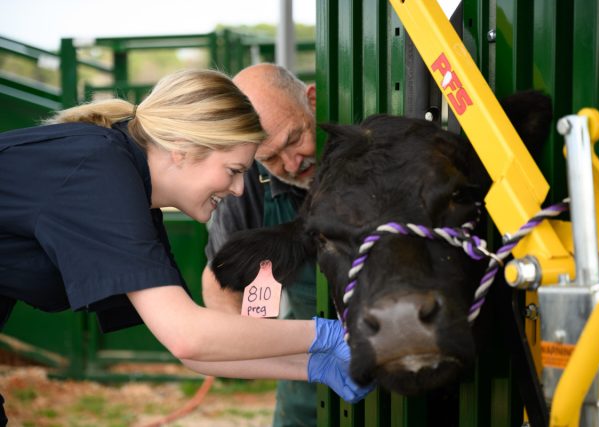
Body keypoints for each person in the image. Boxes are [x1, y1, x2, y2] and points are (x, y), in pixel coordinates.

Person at [0, 68, 372, 425]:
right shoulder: (100, 173)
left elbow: (195, 350)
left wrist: (313, 366)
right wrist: (328, 335)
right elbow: (189, 338)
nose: (240, 190)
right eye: (233, 170)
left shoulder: (128, 187)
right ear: (182, 149)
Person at [201, 63, 320, 426]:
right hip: (309, 376)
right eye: (269, 158)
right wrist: (253, 342)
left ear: (312, 101)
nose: (291, 163)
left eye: (294, 139)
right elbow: (222, 279)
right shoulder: (247, 182)